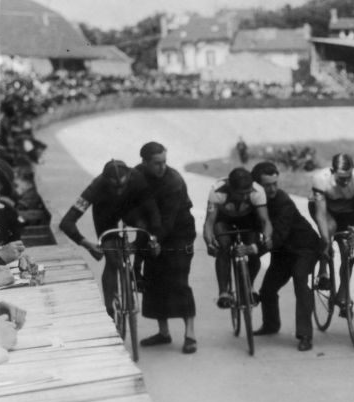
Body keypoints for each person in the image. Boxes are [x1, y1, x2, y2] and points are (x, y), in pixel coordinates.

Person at [59, 159, 160, 319]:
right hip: (105, 213)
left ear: (129, 177)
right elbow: (66, 222)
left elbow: (153, 213)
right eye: (114, 187)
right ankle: (110, 309)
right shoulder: (95, 187)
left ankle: (136, 269)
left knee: (144, 226)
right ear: (105, 181)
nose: (119, 191)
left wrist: (151, 239)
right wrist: (87, 244)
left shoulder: (137, 178)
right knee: (112, 258)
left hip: (130, 209)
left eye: (122, 186)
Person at [135, 142, 199, 354]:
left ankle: (190, 335)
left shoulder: (173, 181)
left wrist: (155, 241)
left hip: (179, 232)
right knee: (153, 278)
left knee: (178, 279)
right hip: (154, 229)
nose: (162, 167)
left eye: (164, 162)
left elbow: (169, 222)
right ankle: (163, 333)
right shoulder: (137, 175)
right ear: (144, 162)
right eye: (156, 163)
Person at [250, 162, 319, 351]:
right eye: (267, 185)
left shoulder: (282, 201)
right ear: (256, 185)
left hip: (304, 248)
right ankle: (271, 324)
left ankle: (305, 335)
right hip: (282, 253)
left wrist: (255, 249)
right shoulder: (253, 200)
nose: (272, 189)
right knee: (267, 290)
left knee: (300, 281)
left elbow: (277, 236)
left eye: (275, 183)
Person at [203, 167, 273, 310]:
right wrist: (209, 242)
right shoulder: (217, 191)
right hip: (224, 221)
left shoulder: (257, 191)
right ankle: (223, 292)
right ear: (230, 187)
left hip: (249, 221)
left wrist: (266, 237)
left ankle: (249, 287)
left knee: (252, 247)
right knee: (223, 246)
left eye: (247, 193)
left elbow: (265, 221)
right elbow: (210, 222)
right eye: (240, 194)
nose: (244, 197)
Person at [310, 153, 354, 292]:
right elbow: (320, 215)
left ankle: (343, 294)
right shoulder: (321, 179)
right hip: (324, 209)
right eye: (341, 178)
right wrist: (326, 240)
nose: (345, 182)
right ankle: (323, 271)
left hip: (346, 210)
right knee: (329, 230)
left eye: (348, 177)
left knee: (347, 249)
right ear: (332, 171)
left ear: (353, 171)